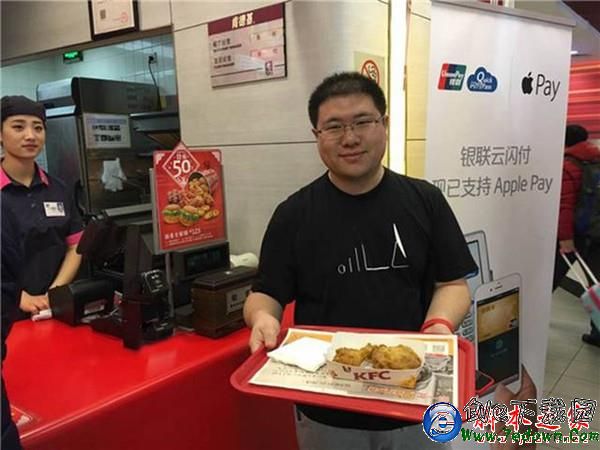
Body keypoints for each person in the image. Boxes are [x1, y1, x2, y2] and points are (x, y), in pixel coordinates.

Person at [243, 72, 476, 449]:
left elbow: (452, 283)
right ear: (317, 135)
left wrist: (438, 325)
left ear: (385, 124)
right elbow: (266, 293)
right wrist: (262, 318)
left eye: (363, 122)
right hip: (327, 406)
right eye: (334, 127)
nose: (349, 138)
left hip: (414, 396)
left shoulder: (425, 200)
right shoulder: (293, 214)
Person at [0, 95, 83, 317]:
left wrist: (54, 293)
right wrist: (19, 296)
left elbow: (75, 246)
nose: (30, 136)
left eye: (38, 128)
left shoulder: (58, 188)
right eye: (18, 127)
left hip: (52, 310)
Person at [553, 124, 600, 348]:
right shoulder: (596, 159)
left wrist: (565, 239)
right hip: (596, 233)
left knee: (551, 278)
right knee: (596, 284)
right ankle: (597, 332)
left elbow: (565, 205)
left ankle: (532, 319)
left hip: (575, 235)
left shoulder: (569, 165)